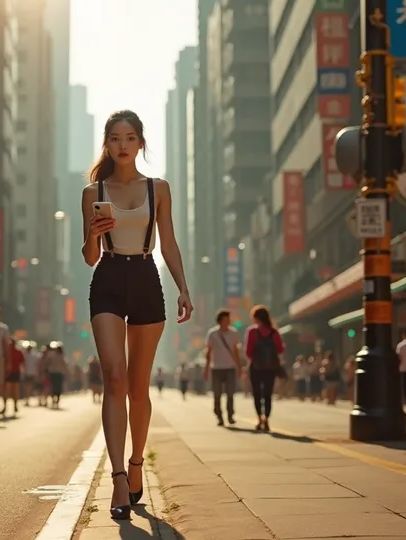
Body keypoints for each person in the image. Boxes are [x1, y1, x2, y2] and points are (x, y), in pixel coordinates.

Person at [81, 110, 193, 520]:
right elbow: (90, 257)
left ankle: (136, 463)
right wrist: (93, 235)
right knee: (114, 377)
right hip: (108, 278)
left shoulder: (158, 188)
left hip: (147, 278)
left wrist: (183, 288)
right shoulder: (93, 192)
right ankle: (116, 479)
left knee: (138, 388)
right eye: (115, 138)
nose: (122, 144)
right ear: (107, 144)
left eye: (130, 137)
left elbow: (169, 243)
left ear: (141, 143)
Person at [244, 305, 284, 432]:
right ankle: (266, 418)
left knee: (257, 393)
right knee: (267, 394)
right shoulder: (274, 332)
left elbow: (248, 352)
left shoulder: (252, 331)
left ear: (256, 318)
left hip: (255, 367)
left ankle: (259, 419)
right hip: (270, 368)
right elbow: (280, 349)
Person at [203, 309, 242, 426]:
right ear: (220, 321)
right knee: (217, 394)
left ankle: (230, 415)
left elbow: (235, 351)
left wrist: (239, 367)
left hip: (230, 367)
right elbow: (208, 352)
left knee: (230, 393)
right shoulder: (212, 333)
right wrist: (206, 369)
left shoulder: (233, 333)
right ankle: (219, 415)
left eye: (229, 319)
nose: (228, 321)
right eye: (226, 319)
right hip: (216, 368)